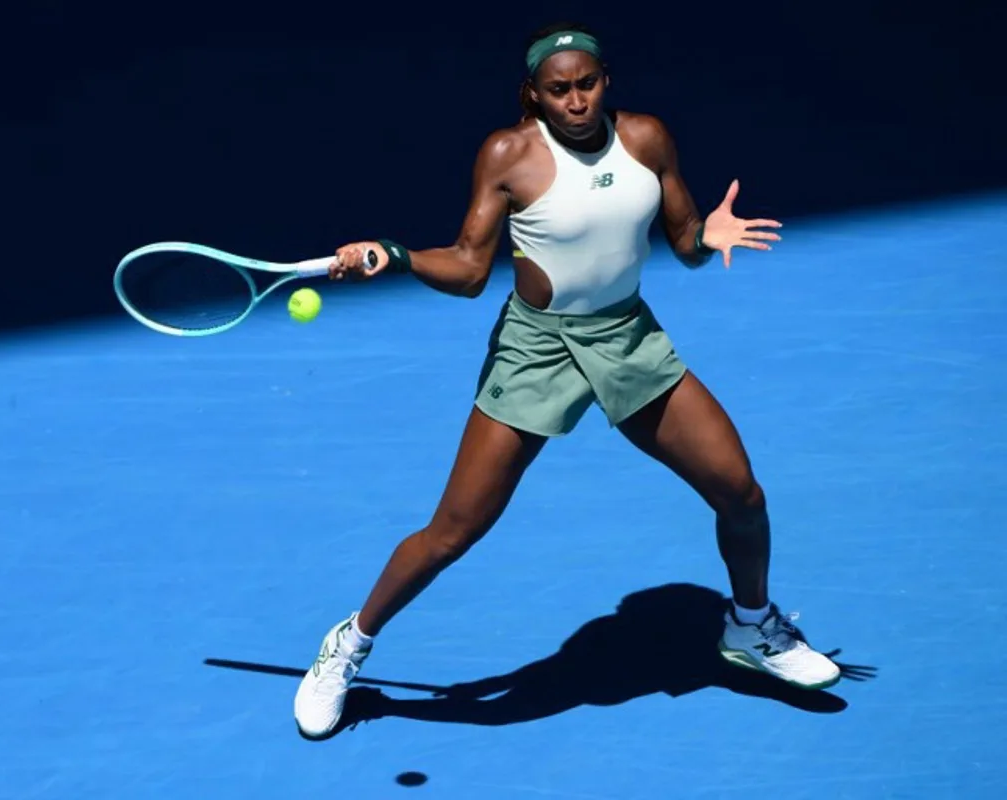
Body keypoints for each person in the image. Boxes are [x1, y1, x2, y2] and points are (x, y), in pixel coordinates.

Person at [294, 21, 841, 740]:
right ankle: (349, 644)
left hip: (627, 338)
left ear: (605, 80)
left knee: (740, 492)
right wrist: (392, 255)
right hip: (537, 351)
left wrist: (708, 237)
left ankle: (749, 626)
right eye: (559, 90)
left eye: (587, 85)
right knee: (454, 531)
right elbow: (466, 270)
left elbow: (682, 244)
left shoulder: (647, 139)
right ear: (534, 95)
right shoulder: (508, 154)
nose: (576, 101)